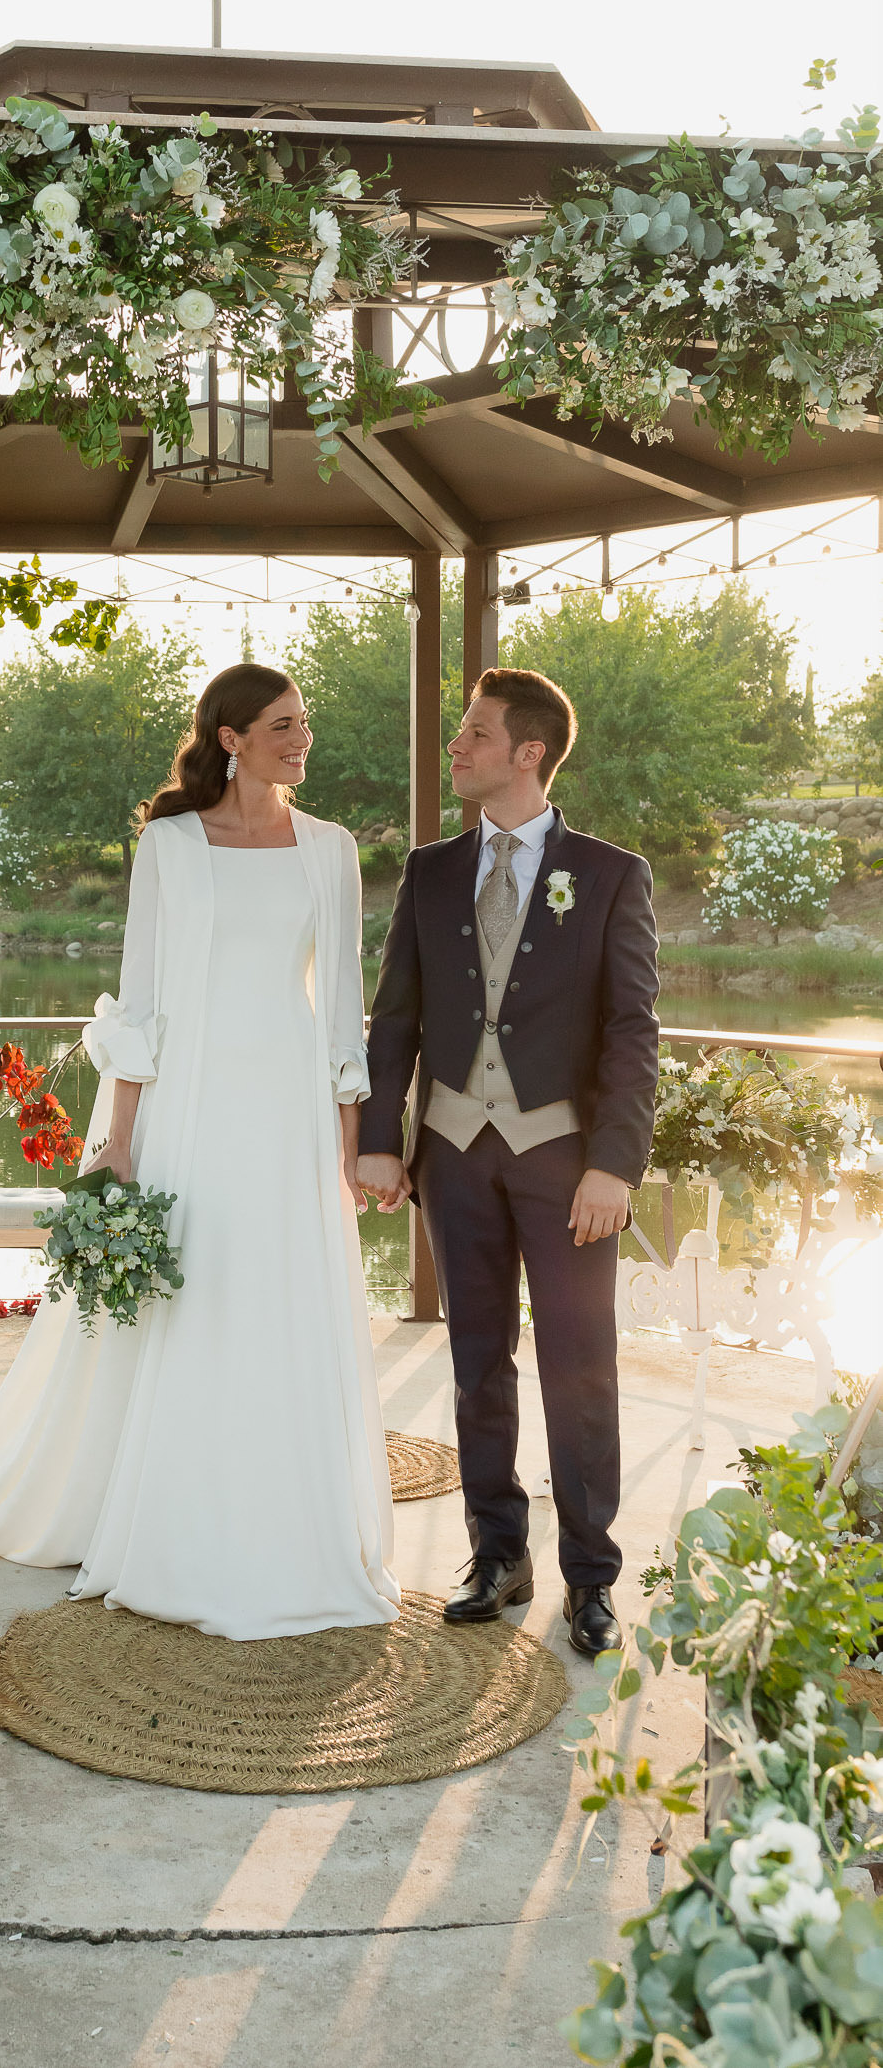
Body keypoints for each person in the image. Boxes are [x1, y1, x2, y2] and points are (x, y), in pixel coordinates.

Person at [0, 663, 400, 1641]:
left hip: (286, 1109)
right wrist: (117, 1144)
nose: (301, 740)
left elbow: (342, 1014)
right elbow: (140, 1004)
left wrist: (353, 1149)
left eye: (305, 723)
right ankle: (163, 1513)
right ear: (231, 737)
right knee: (186, 1299)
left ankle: (279, 1516)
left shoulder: (332, 850)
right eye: (283, 725)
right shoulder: (171, 846)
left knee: (276, 1298)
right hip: (189, 1102)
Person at [355, 667, 659, 1658]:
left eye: (475, 734)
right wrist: (378, 1144)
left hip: (564, 1160)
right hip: (452, 1152)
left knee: (581, 1367)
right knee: (477, 1361)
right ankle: (497, 1554)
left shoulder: (610, 873)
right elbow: (395, 1015)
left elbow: (630, 1031)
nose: (458, 746)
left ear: (527, 753)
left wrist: (615, 1164)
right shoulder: (429, 870)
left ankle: (592, 1578)